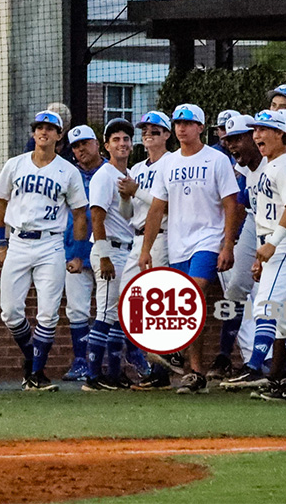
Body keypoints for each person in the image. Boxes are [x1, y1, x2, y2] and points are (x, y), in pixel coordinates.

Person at [140, 103, 240, 394]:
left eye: (188, 123)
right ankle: (196, 374)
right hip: (177, 243)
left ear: (200, 127)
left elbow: (231, 203)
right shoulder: (168, 163)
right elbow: (157, 207)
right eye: (178, 123)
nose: (182, 128)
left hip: (208, 239)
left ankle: (174, 350)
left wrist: (228, 243)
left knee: (192, 293)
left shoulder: (216, 160)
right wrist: (146, 249)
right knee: (188, 305)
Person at [0, 110, 89, 392]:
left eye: (50, 128)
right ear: (33, 133)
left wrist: (78, 252)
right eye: (39, 128)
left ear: (59, 136)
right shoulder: (15, 165)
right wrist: (0, 242)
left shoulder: (67, 171)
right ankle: (32, 357)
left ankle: (36, 374)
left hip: (51, 243)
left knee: (48, 314)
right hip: (19, 241)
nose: (43, 132)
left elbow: (80, 213)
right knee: (10, 312)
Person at [230, 109, 286, 401]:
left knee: (265, 306)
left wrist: (273, 244)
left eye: (264, 130)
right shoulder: (269, 166)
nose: (257, 135)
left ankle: (254, 366)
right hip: (275, 244)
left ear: (281, 134)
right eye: (255, 130)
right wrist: (260, 255)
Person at [119, 111, 175, 391]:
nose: (149, 133)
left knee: (155, 302)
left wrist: (136, 190)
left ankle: (160, 369)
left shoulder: (171, 163)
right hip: (138, 237)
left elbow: (165, 205)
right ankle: (155, 360)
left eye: (156, 129)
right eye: (145, 130)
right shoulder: (138, 167)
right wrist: (126, 196)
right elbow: (129, 212)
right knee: (128, 300)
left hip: (162, 238)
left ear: (167, 135)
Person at [83, 118, 138, 390]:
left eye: (126, 139)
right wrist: (103, 254)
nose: (122, 143)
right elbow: (96, 215)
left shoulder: (127, 177)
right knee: (105, 312)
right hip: (110, 250)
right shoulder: (104, 174)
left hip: (125, 250)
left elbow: (127, 215)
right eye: (116, 139)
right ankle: (93, 377)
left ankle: (114, 374)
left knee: (117, 315)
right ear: (106, 145)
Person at [214, 114, 261, 380]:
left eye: (238, 139)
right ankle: (225, 356)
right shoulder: (244, 169)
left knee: (279, 305)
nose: (232, 145)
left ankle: (268, 365)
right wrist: (229, 244)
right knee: (234, 291)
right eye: (228, 140)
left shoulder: (274, 163)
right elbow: (241, 206)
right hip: (255, 225)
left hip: (283, 235)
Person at [61, 124, 103, 381]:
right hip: (74, 250)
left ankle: (105, 362)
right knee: (76, 310)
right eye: (76, 146)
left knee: (109, 309)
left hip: (106, 249)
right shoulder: (67, 173)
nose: (81, 149)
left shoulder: (113, 171)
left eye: (85, 143)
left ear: (97, 143)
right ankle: (80, 361)